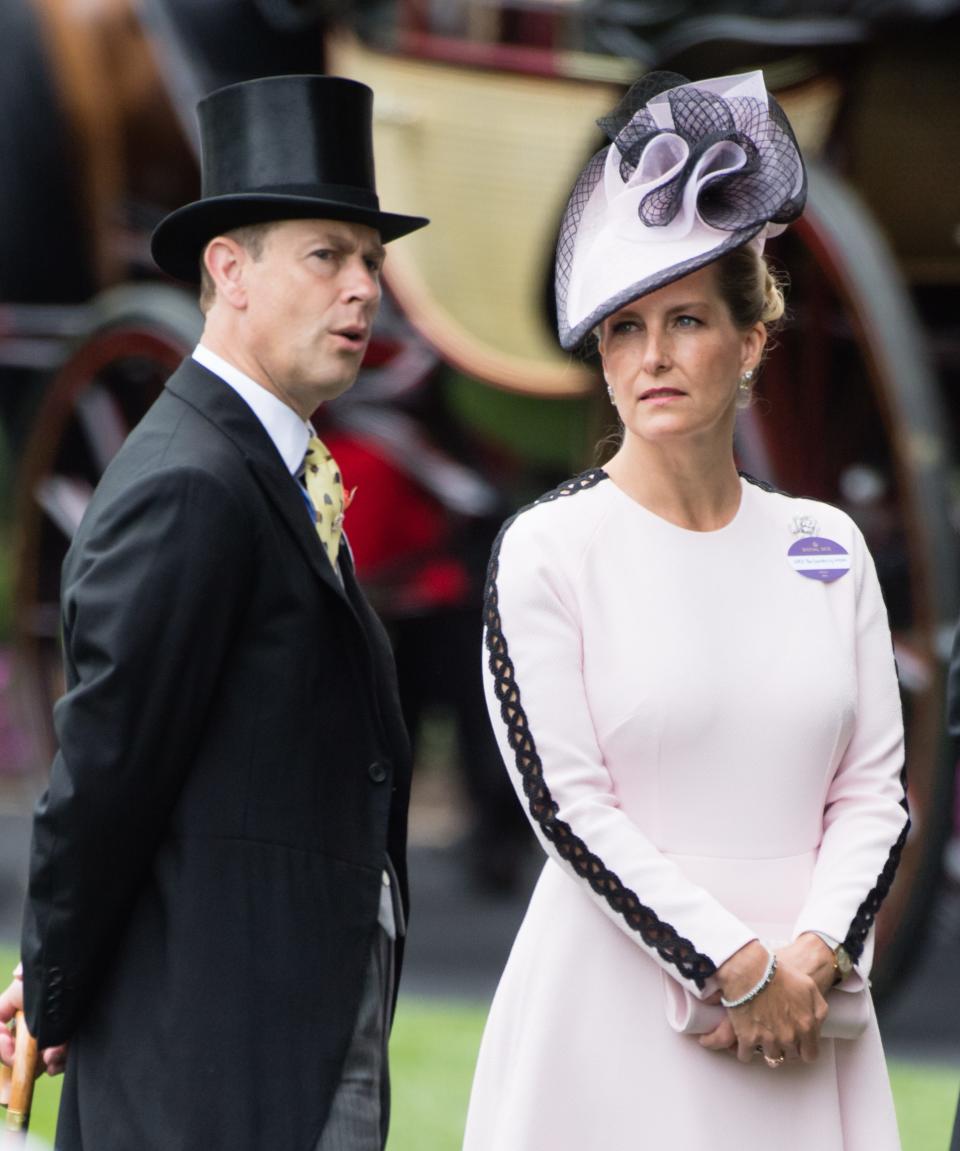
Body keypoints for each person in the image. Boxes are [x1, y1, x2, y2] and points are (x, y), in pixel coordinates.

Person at [463, 70, 908, 1149]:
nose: (652, 355)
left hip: (810, 1015)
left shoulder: (828, 545)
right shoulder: (548, 550)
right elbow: (567, 806)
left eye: (686, 320)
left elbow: (874, 791)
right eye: (622, 327)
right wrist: (737, 966)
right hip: (608, 1023)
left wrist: (811, 957)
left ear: (751, 341)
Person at [0, 73, 427, 1151]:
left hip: (288, 1021)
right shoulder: (191, 481)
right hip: (222, 1060)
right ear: (227, 272)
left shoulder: (254, 465)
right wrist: (49, 986)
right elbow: (102, 776)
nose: (363, 288)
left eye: (371, 258)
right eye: (327, 254)